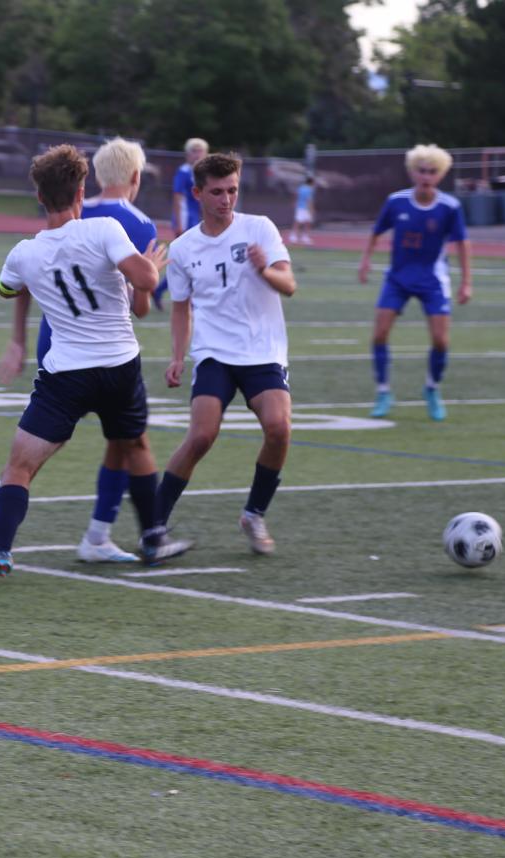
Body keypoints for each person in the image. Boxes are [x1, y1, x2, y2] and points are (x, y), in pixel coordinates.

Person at [0, 145, 189, 585]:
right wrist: (148, 266)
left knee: (19, 467)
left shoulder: (23, 253)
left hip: (65, 374)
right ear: (81, 191)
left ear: (40, 196)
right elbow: (147, 283)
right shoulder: (105, 230)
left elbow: (6, 288)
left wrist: (19, 334)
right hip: (118, 367)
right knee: (134, 446)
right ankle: (153, 536)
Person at [151, 152, 297, 556]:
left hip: (262, 350)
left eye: (232, 190)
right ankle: (155, 522)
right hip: (215, 352)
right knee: (200, 436)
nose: (226, 199)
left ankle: (253, 513)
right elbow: (181, 308)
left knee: (279, 428)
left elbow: (289, 285)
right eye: (217, 192)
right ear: (197, 193)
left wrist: (265, 269)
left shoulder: (259, 229)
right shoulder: (182, 249)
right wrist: (178, 356)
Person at [357, 144, 472, 421]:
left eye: (432, 172)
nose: (426, 176)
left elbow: (462, 244)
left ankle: (432, 389)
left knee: (441, 340)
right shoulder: (396, 201)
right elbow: (376, 232)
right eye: (421, 171)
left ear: (440, 174)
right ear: (412, 172)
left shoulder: (449, 207)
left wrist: (466, 282)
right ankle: (383, 392)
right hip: (397, 279)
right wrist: (366, 260)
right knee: (380, 334)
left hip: (433, 280)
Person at [153, 137, 208, 310]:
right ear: (187, 154)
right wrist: (177, 222)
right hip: (185, 221)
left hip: (196, 219)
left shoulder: (204, 173)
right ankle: (191, 300)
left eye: (201, 151)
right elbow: (178, 197)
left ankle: (159, 290)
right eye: (194, 151)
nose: (197, 154)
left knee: (188, 262)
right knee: (190, 260)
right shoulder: (184, 172)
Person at [289, 175, 315, 245]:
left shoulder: (301, 188)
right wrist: (312, 209)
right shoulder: (309, 189)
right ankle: (296, 236)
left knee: (303, 221)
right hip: (304, 208)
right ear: (311, 182)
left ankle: (300, 236)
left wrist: (295, 203)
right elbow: (309, 200)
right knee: (302, 222)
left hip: (300, 207)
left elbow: (296, 196)